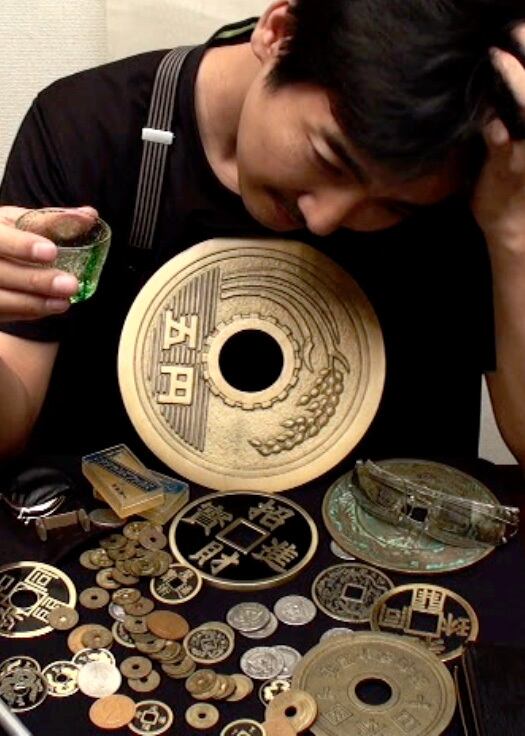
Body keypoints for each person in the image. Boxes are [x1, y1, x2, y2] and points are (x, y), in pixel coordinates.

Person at [0, 0, 524, 473]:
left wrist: (512, 227)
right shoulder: (86, 127)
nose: (324, 220)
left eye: (393, 206)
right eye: (329, 158)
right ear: (280, 34)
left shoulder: (480, 173)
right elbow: (8, 428)